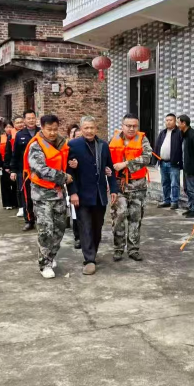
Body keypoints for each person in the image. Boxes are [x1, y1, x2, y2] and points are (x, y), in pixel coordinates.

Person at [67, 116, 118, 275]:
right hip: (81, 194)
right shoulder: (73, 145)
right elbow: (69, 171)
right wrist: (72, 192)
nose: (89, 131)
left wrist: (114, 189)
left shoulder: (103, 145)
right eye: (86, 128)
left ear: (96, 128)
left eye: (92, 128)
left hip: (99, 194)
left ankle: (92, 252)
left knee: (97, 226)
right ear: (81, 129)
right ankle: (89, 260)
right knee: (85, 227)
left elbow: (109, 168)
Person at [23, 114, 72, 279]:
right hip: (42, 195)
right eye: (49, 129)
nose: (52, 133)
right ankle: (44, 264)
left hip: (58, 194)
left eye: (55, 129)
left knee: (60, 228)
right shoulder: (36, 146)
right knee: (46, 230)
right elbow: (41, 170)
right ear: (42, 128)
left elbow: (67, 161)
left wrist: (73, 164)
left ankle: (50, 256)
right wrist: (64, 177)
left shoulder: (62, 143)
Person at [109, 113, 152, 262]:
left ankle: (133, 249)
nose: (132, 129)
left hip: (138, 186)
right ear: (122, 126)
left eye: (134, 126)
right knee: (118, 217)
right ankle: (118, 248)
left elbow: (147, 157)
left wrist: (126, 164)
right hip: (119, 185)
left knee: (135, 218)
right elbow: (106, 158)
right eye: (128, 126)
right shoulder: (114, 139)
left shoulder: (143, 139)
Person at [10, 110, 40, 231]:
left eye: (33, 118)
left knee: (41, 195)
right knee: (27, 196)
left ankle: (41, 219)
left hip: (41, 170)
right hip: (25, 171)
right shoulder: (20, 135)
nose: (31, 120)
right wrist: (13, 170)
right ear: (25, 120)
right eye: (29, 118)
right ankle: (29, 220)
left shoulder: (41, 133)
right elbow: (15, 154)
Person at [177, 115, 194, 218]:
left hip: (191, 167)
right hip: (186, 166)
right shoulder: (184, 134)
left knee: (192, 189)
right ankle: (191, 207)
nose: (177, 125)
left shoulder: (192, 135)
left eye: (178, 122)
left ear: (184, 123)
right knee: (186, 188)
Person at [154, 113, 183, 210]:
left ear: (175, 121)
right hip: (163, 162)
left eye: (170, 120)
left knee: (174, 183)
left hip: (174, 163)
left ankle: (174, 202)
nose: (168, 122)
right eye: (167, 120)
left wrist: (180, 161)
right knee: (165, 183)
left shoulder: (179, 133)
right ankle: (166, 200)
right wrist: (155, 160)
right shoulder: (162, 133)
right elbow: (157, 146)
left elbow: (182, 148)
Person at [5, 115, 26, 217]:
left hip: (27, 164)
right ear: (14, 124)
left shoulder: (28, 134)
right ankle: (21, 207)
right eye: (17, 123)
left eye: (21, 122)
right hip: (18, 165)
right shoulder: (10, 137)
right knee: (19, 187)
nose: (20, 124)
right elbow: (9, 152)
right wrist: (8, 166)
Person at [0, 120, 18, 210]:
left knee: (15, 184)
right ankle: (7, 203)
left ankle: (15, 202)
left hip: (13, 164)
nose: (8, 129)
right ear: (4, 128)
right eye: (6, 127)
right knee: (4, 184)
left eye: (10, 127)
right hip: (2, 165)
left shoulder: (16, 137)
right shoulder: (1, 138)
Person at [68, 125, 82, 249]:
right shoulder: (69, 150)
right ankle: (78, 237)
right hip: (74, 184)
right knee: (75, 213)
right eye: (76, 136)